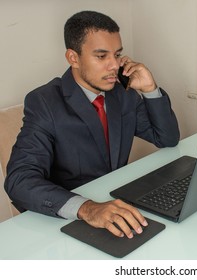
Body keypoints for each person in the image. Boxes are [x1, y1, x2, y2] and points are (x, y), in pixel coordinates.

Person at [4, 11, 180, 238]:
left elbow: (167, 138)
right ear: (73, 58)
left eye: (117, 55)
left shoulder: (123, 94)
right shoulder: (44, 102)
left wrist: (149, 89)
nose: (114, 66)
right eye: (101, 56)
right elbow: (20, 180)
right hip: (69, 222)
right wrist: (88, 208)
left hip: (118, 205)